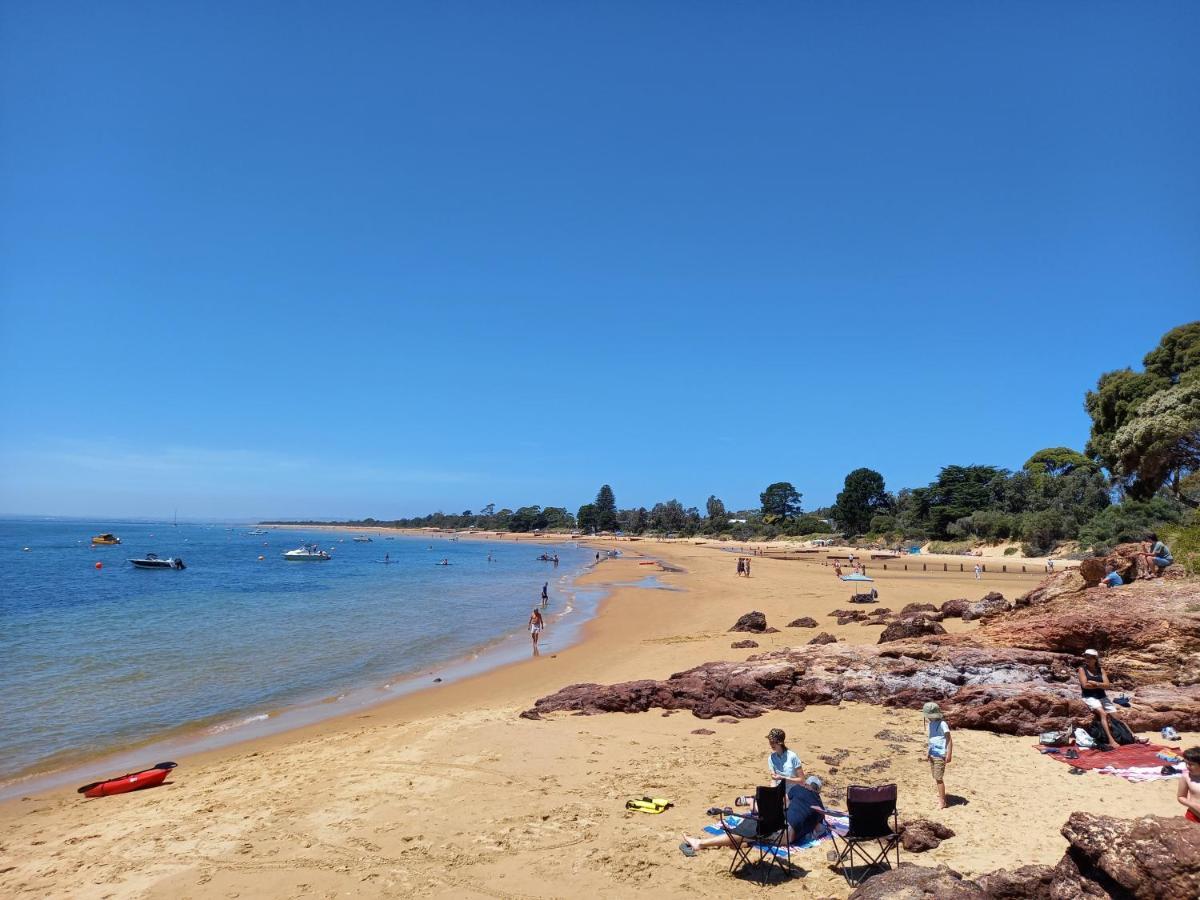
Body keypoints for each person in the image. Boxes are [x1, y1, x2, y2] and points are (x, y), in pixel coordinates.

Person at [678, 730, 809, 856]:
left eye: (773, 742)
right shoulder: (772, 758)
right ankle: (752, 805)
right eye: (769, 741)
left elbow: (801, 780)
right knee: (762, 809)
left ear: (780, 742)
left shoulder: (792, 757)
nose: (770, 744)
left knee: (756, 821)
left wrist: (783, 779)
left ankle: (749, 802)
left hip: (791, 792)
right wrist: (771, 793)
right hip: (779, 794)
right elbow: (773, 779)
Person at [1078, 649, 1118, 746]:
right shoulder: (1082, 669)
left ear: (1095, 659)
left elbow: (1108, 685)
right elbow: (1085, 685)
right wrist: (1101, 685)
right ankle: (1111, 740)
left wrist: (1095, 683)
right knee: (1103, 713)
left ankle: (1133, 736)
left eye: (1089, 657)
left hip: (1102, 696)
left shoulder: (1101, 670)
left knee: (1117, 717)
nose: (1086, 659)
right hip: (1089, 696)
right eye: (1085, 657)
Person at [923, 702, 952, 809]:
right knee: (935, 776)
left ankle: (943, 801)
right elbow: (931, 739)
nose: (928, 718)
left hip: (940, 754)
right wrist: (928, 751)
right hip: (933, 753)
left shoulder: (942, 724)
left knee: (939, 778)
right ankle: (941, 796)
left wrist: (949, 754)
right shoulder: (930, 724)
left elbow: (949, 739)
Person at [1178, 747, 1200, 824]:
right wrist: (1194, 805)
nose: (1187, 766)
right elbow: (1181, 797)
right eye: (1186, 763)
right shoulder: (1186, 777)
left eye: (1191, 764)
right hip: (1193, 816)